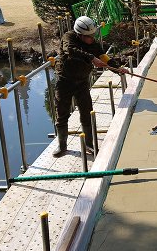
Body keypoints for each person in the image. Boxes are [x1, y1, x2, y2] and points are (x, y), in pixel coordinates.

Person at [52, 16, 127, 157]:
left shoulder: (94, 44)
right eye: (88, 36)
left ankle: (89, 145)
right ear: (80, 35)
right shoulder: (69, 37)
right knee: (62, 113)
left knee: (87, 112)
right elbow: (71, 50)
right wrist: (92, 58)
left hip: (82, 82)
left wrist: (117, 69)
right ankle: (62, 146)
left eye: (93, 35)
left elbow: (104, 57)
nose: (92, 38)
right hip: (64, 81)